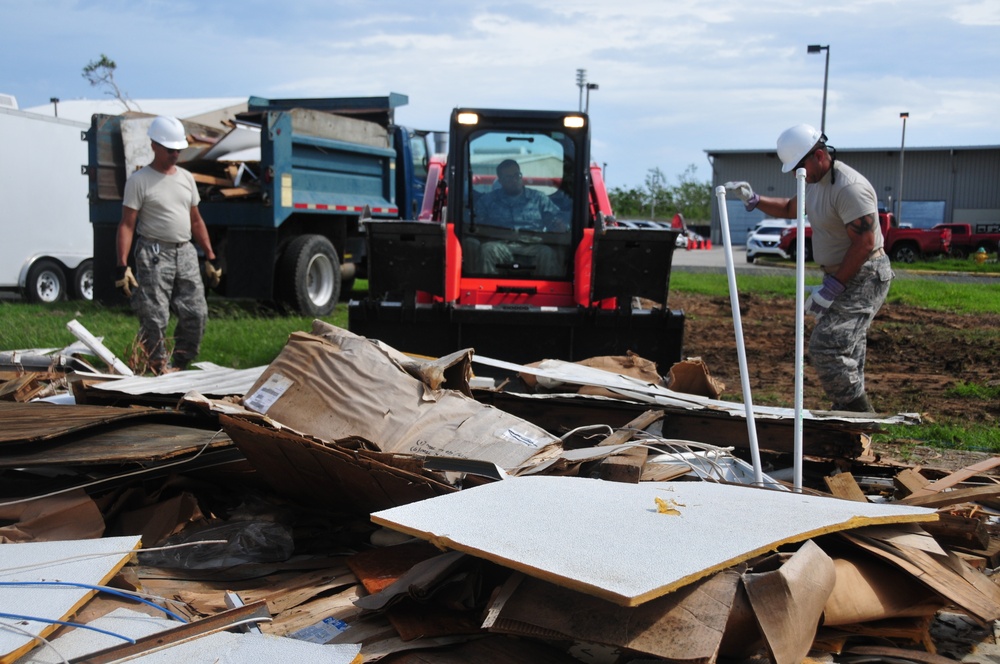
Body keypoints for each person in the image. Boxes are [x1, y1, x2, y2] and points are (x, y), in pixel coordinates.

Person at [725, 124, 894, 413]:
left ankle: (859, 415)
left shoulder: (848, 187)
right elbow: (792, 207)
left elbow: (865, 243)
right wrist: (754, 201)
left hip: (864, 275)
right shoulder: (815, 183)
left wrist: (832, 287)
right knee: (848, 349)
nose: (794, 174)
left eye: (798, 166)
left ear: (818, 155)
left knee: (828, 345)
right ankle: (848, 417)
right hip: (843, 275)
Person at [115, 116, 221, 374]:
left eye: (178, 150)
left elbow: (196, 220)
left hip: (184, 252)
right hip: (153, 253)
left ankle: (180, 365)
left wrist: (210, 256)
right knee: (154, 316)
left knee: (196, 313)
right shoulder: (139, 180)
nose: (175, 154)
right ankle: (157, 366)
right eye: (169, 149)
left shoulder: (186, 178)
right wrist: (122, 266)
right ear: (154, 146)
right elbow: (127, 224)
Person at [475, 159, 565, 276]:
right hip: (500, 245)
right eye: (508, 177)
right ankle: (486, 290)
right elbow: (478, 227)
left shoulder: (538, 199)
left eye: (517, 175)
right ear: (500, 180)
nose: (514, 180)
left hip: (532, 245)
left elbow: (556, 222)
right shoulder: (487, 201)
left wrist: (559, 226)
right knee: (487, 250)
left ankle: (548, 292)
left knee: (547, 253)